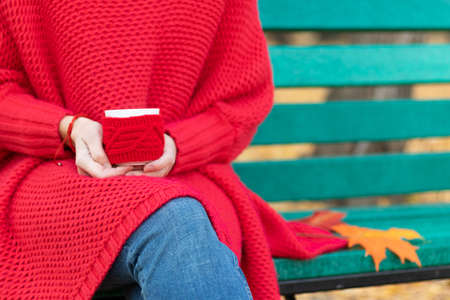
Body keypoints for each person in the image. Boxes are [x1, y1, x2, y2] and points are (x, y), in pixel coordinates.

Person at [0, 1, 348, 299]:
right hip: (53, 180)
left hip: (185, 177)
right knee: (172, 225)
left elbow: (242, 99)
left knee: (178, 234)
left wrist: (178, 145)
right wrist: (66, 129)